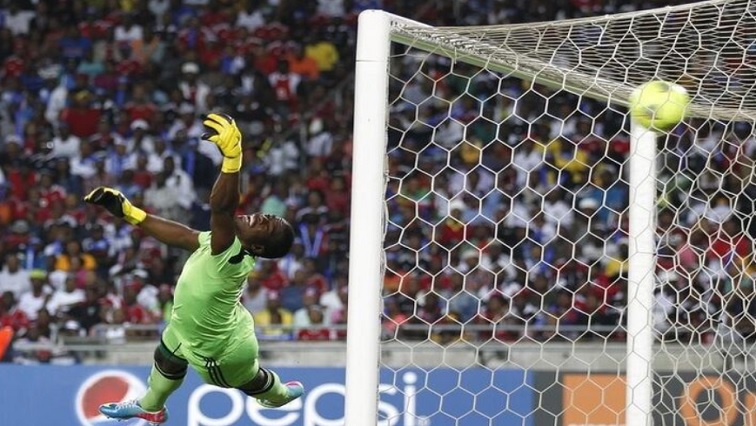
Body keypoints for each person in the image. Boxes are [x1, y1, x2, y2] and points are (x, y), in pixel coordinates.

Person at [86, 113, 303, 424]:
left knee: (248, 380)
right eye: (266, 216)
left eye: (264, 226)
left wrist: (233, 159)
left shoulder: (231, 250)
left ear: (257, 248)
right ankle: (151, 406)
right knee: (166, 357)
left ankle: (278, 395)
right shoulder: (221, 243)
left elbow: (221, 208)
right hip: (190, 326)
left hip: (221, 349)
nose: (259, 217)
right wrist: (131, 213)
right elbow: (184, 236)